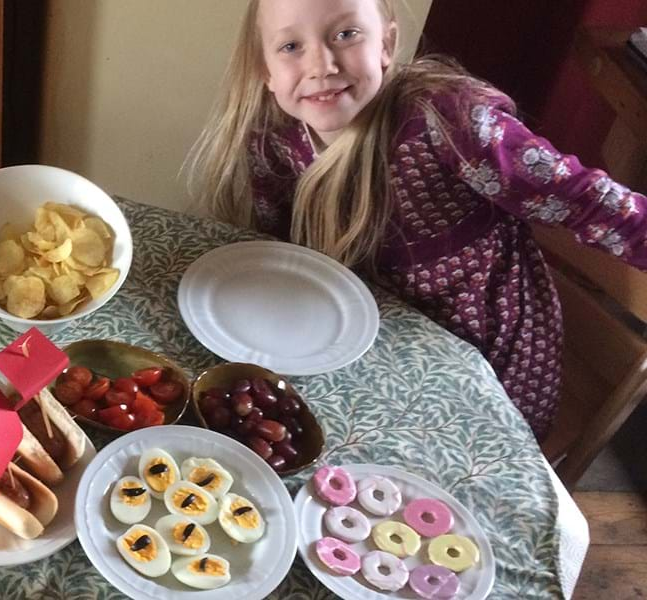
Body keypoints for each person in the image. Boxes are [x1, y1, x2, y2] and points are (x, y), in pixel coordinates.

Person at [185, 0, 647, 440]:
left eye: (346, 34)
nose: (322, 64)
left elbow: (587, 200)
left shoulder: (451, 123)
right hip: (361, 343)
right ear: (265, 69)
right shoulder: (275, 139)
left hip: (482, 364)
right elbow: (273, 254)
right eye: (291, 47)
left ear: (386, 44)